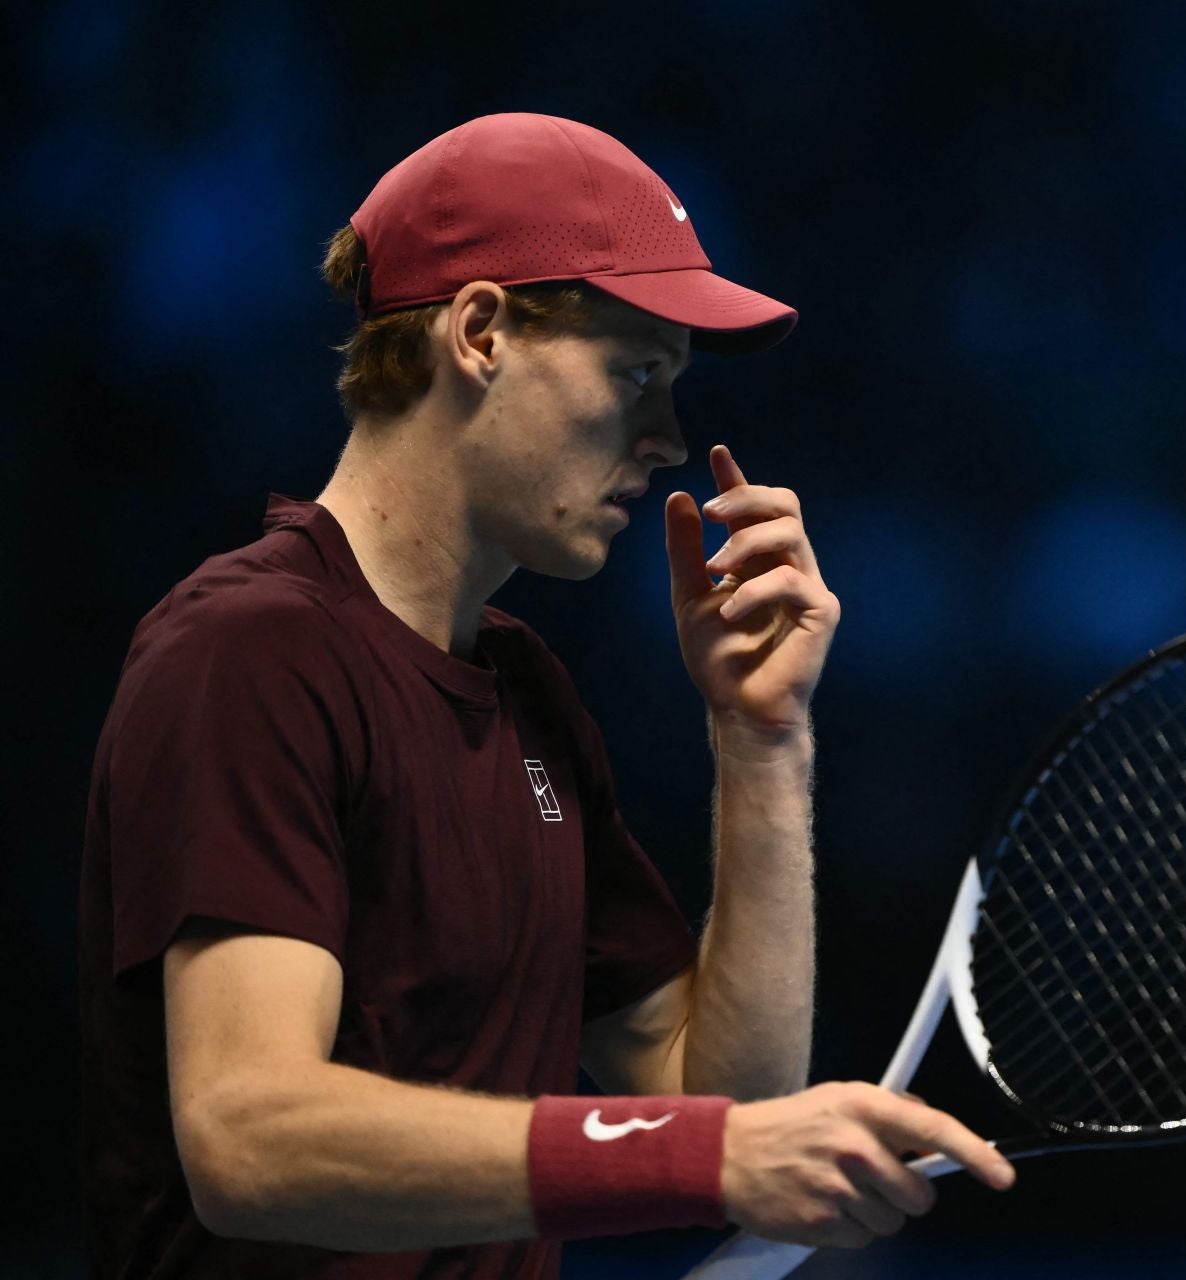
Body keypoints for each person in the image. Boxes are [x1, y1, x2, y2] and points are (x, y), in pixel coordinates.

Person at [77, 112, 1013, 1279]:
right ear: (479, 331)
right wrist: (704, 1156)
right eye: (634, 375)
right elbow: (248, 1136)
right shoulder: (250, 653)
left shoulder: (526, 690)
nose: (670, 439)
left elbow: (709, 1094)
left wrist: (763, 737)